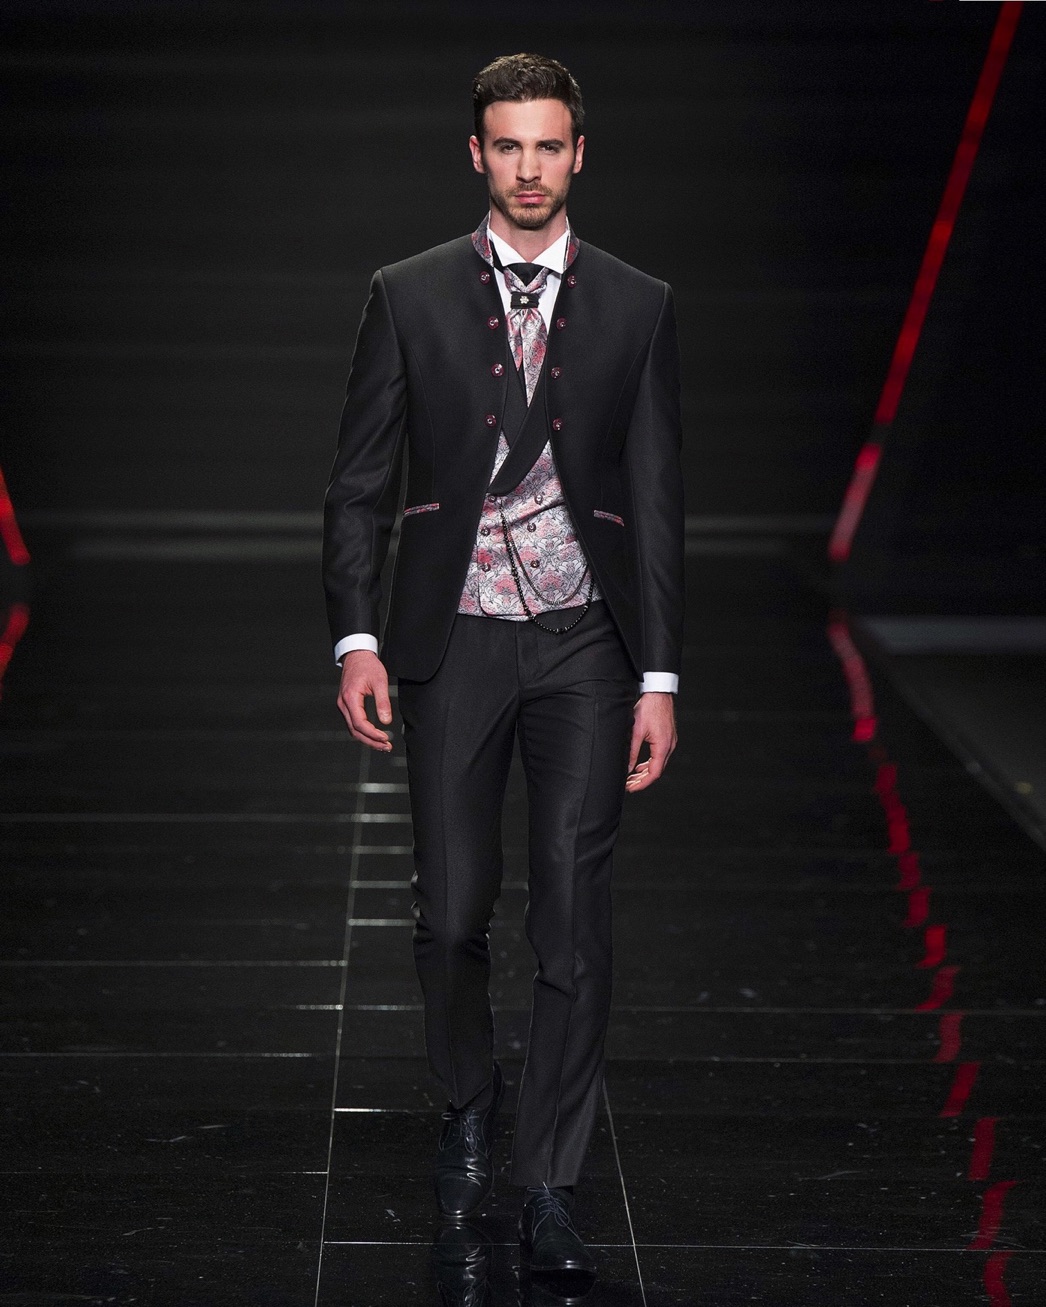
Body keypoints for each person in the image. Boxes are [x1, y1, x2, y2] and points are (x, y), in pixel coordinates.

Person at [323, 52, 684, 1280]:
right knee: (449, 913)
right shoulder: (407, 292)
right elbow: (360, 480)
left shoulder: (637, 303)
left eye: (549, 145)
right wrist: (357, 635)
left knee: (572, 919)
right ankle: (467, 1107)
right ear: (475, 153)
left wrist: (660, 676)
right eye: (507, 145)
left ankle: (548, 1182)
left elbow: (655, 500)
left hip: (587, 642)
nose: (528, 168)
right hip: (452, 636)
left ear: (578, 154)